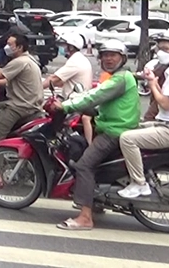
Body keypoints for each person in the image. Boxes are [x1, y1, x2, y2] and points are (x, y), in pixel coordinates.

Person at [48, 39, 140, 230]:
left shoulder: (120, 79)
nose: (108, 59)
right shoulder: (119, 77)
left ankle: (85, 218)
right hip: (113, 127)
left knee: (83, 166)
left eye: (113, 55)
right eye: (105, 55)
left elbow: (95, 96)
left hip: (114, 132)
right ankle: (96, 202)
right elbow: (99, 100)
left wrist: (65, 106)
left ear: (122, 58)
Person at [118, 31, 169, 199]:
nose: (160, 52)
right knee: (124, 128)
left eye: (166, 48)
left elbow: (166, 104)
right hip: (166, 124)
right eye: (159, 48)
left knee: (127, 139)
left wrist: (153, 84)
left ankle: (139, 184)